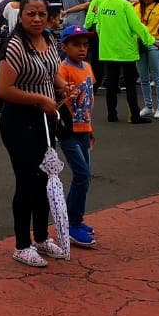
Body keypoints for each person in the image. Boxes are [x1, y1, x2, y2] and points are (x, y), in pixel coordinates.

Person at [0, 0, 67, 268]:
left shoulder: (48, 38)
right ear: (21, 16)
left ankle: (41, 237)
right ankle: (22, 245)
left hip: (46, 120)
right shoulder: (14, 45)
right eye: (31, 14)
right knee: (27, 181)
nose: (37, 19)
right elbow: (4, 90)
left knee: (45, 179)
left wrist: (63, 87)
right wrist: (39, 99)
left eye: (42, 14)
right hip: (19, 121)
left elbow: (52, 71)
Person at [85, 0, 157, 124]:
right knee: (130, 84)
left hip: (108, 51)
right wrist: (151, 40)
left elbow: (97, 26)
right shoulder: (125, 4)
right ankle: (135, 115)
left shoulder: (102, 4)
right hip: (126, 51)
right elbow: (136, 25)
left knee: (111, 84)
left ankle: (112, 114)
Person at [56, 26, 97, 249]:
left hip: (84, 128)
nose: (82, 49)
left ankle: (74, 219)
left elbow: (89, 99)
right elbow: (59, 101)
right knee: (82, 174)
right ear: (65, 47)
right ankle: (71, 222)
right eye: (76, 45)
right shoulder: (62, 70)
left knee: (84, 176)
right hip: (68, 130)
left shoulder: (88, 67)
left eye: (85, 45)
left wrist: (90, 128)